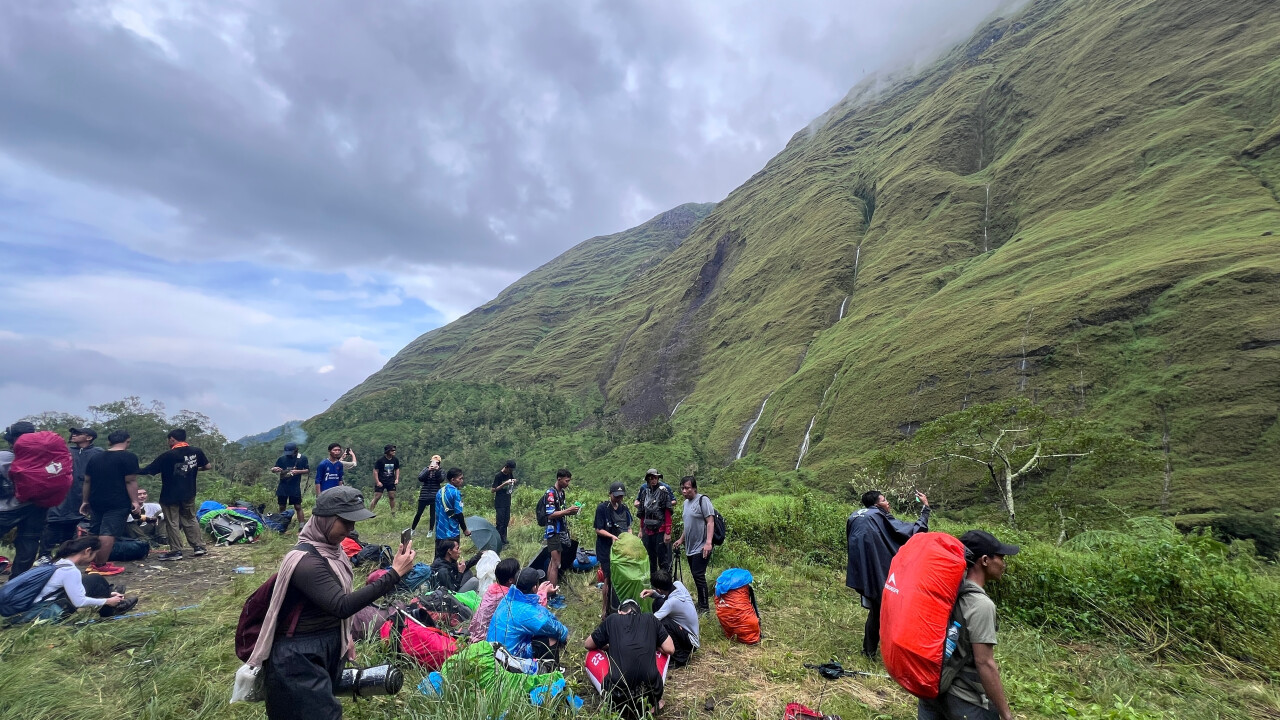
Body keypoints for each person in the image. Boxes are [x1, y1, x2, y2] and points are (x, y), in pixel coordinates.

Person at [247, 486, 415, 720]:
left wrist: (344, 636)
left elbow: (335, 606)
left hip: (324, 647)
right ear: (325, 520)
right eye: (345, 522)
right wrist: (393, 574)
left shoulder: (333, 552)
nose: (351, 529)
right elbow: (341, 605)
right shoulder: (306, 562)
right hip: (298, 658)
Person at [917, 530, 1018, 720]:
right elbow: (984, 663)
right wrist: (1006, 714)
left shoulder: (946, 590)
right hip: (964, 700)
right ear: (985, 560)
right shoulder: (981, 605)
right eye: (1001, 557)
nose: (1004, 564)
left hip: (931, 687)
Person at [846, 488, 930, 657]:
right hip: (878, 569)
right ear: (877, 505)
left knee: (877, 608)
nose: (888, 503)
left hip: (862, 570)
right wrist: (925, 508)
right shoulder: (879, 515)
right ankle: (894, 652)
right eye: (884, 500)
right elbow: (911, 531)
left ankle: (869, 651)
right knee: (888, 608)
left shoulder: (855, 515)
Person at [9, 537, 137, 624]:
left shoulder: (56, 562)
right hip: (45, 614)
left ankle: (111, 595)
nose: (93, 559)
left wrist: (107, 596)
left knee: (92, 582)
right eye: (94, 555)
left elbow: (72, 590)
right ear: (87, 551)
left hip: (26, 611)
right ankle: (111, 610)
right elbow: (79, 602)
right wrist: (107, 601)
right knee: (96, 579)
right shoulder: (70, 571)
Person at [584, 598, 675, 719]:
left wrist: (609, 646)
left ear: (620, 612)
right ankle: (655, 703)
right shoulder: (650, 618)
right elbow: (670, 649)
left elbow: (588, 644)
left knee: (591, 653)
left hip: (617, 697)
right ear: (639, 612)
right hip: (650, 693)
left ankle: (608, 701)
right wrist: (652, 645)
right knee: (664, 654)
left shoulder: (613, 619)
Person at [137, 429, 211, 562]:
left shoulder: (167, 456)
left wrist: (131, 470)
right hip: (189, 493)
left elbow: (149, 469)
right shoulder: (196, 451)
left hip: (170, 495)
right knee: (190, 518)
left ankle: (176, 551)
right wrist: (193, 468)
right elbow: (208, 466)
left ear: (172, 439)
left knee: (172, 522)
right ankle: (199, 547)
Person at [79, 430, 141, 576]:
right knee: (109, 532)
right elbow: (130, 480)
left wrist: (85, 500)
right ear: (127, 441)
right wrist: (135, 501)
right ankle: (100, 565)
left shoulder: (95, 457)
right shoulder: (128, 457)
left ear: (109, 442)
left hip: (96, 499)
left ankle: (92, 562)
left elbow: (87, 481)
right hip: (117, 500)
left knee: (95, 530)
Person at [39, 427, 103, 563]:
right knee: (53, 522)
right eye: (73, 433)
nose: (73, 435)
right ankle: (44, 555)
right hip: (62, 491)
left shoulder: (98, 453)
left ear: (89, 437)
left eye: (78, 433)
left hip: (84, 494)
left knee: (72, 524)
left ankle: (64, 555)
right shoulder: (65, 451)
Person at [487, 567, 569, 660]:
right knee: (552, 637)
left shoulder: (508, 599)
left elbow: (537, 610)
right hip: (509, 659)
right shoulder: (526, 611)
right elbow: (549, 625)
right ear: (534, 587)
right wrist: (564, 633)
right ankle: (551, 671)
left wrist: (541, 593)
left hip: (493, 652)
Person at [0, 421, 48, 578]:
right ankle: (17, 582)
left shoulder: (4, 457)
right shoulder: (45, 457)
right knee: (29, 541)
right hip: (36, 506)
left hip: (6, 508)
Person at [468, 558, 552, 643]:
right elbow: (534, 610)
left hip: (474, 634)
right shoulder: (508, 596)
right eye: (518, 572)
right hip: (487, 640)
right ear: (511, 580)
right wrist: (543, 592)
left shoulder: (492, 588)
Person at [671, 476, 715, 613]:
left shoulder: (703, 500)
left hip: (701, 546)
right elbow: (688, 525)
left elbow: (710, 521)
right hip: (690, 547)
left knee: (698, 575)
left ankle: (704, 607)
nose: (684, 491)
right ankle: (701, 603)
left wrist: (708, 543)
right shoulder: (685, 503)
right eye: (682, 488)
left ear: (694, 488)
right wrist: (681, 539)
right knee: (696, 575)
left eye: (687, 488)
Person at [643, 569, 699, 667]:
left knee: (663, 622)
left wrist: (634, 622)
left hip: (691, 642)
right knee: (658, 602)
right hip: (687, 632)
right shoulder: (678, 584)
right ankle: (665, 642)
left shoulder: (671, 603)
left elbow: (652, 620)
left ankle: (680, 658)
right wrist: (653, 592)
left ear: (659, 589)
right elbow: (663, 594)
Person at [594, 481, 633, 618]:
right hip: (605, 549)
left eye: (621, 496)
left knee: (621, 578)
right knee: (608, 578)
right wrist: (611, 536)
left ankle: (621, 606)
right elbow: (598, 529)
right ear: (610, 494)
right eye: (616, 496)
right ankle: (605, 610)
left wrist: (630, 538)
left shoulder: (625, 509)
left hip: (621, 549)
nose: (619, 499)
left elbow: (628, 527)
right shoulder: (602, 508)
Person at [542, 469, 580, 591]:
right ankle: (552, 593)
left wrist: (571, 512)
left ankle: (548, 590)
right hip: (553, 531)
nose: (568, 483)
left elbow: (561, 512)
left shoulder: (562, 493)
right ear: (559, 479)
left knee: (553, 562)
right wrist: (568, 511)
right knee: (556, 563)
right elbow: (550, 514)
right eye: (566, 481)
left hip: (561, 530)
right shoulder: (550, 493)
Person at [634, 469, 674, 577]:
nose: (653, 480)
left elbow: (667, 512)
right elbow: (642, 513)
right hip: (648, 530)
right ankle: (652, 583)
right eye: (651, 478)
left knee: (663, 559)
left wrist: (667, 532)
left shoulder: (663, 492)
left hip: (660, 529)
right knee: (650, 558)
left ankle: (665, 583)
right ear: (647, 479)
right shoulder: (644, 492)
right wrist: (641, 530)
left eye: (655, 478)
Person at [434, 468, 471, 558]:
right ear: (453, 480)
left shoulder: (440, 491)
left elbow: (437, 511)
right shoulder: (455, 493)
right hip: (452, 532)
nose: (462, 481)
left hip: (440, 532)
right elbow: (459, 513)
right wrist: (465, 530)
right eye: (460, 478)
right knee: (452, 558)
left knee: (439, 557)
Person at [271, 442, 309, 525]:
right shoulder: (281, 459)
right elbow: (274, 469)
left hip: (294, 486)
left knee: (298, 506)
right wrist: (274, 469)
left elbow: (307, 470)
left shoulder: (302, 458)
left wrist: (297, 471)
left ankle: (301, 526)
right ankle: (281, 525)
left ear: (295, 451)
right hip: (283, 486)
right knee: (282, 506)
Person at [412, 455, 444, 534]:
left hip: (434, 495)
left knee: (432, 514)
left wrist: (437, 471)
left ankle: (430, 530)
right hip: (424, 495)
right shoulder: (426, 469)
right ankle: (412, 529)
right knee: (419, 513)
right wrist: (428, 470)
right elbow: (420, 478)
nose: (434, 464)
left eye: (436, 462)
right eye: (433, 462)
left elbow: (441, 480)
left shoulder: (441, 471)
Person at [491, 459, 517, 546]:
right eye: (510, 470)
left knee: (506, 521)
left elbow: (512, 479)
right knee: (500, 523)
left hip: (507, 501)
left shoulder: (509, 474)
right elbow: (493, 490)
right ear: (506, 467)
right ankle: (498, 541)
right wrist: (504, 484)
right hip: (500, 502)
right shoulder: (498, 476)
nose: (511, 471)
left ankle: (504, 539)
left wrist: (513, 481)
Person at [370, 445, 400, 512]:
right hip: (381, 480)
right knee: (377, 497)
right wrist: (377, 482)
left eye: (394, 450)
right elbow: (375, 471)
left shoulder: (395, 460)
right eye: (392, 450)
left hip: (391, 481)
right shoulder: (380, 460)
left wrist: (397, 479)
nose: (394, 451)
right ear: (388, 451)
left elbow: (397, 469)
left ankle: (393, 512)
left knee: (392, 496)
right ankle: (370, 512)